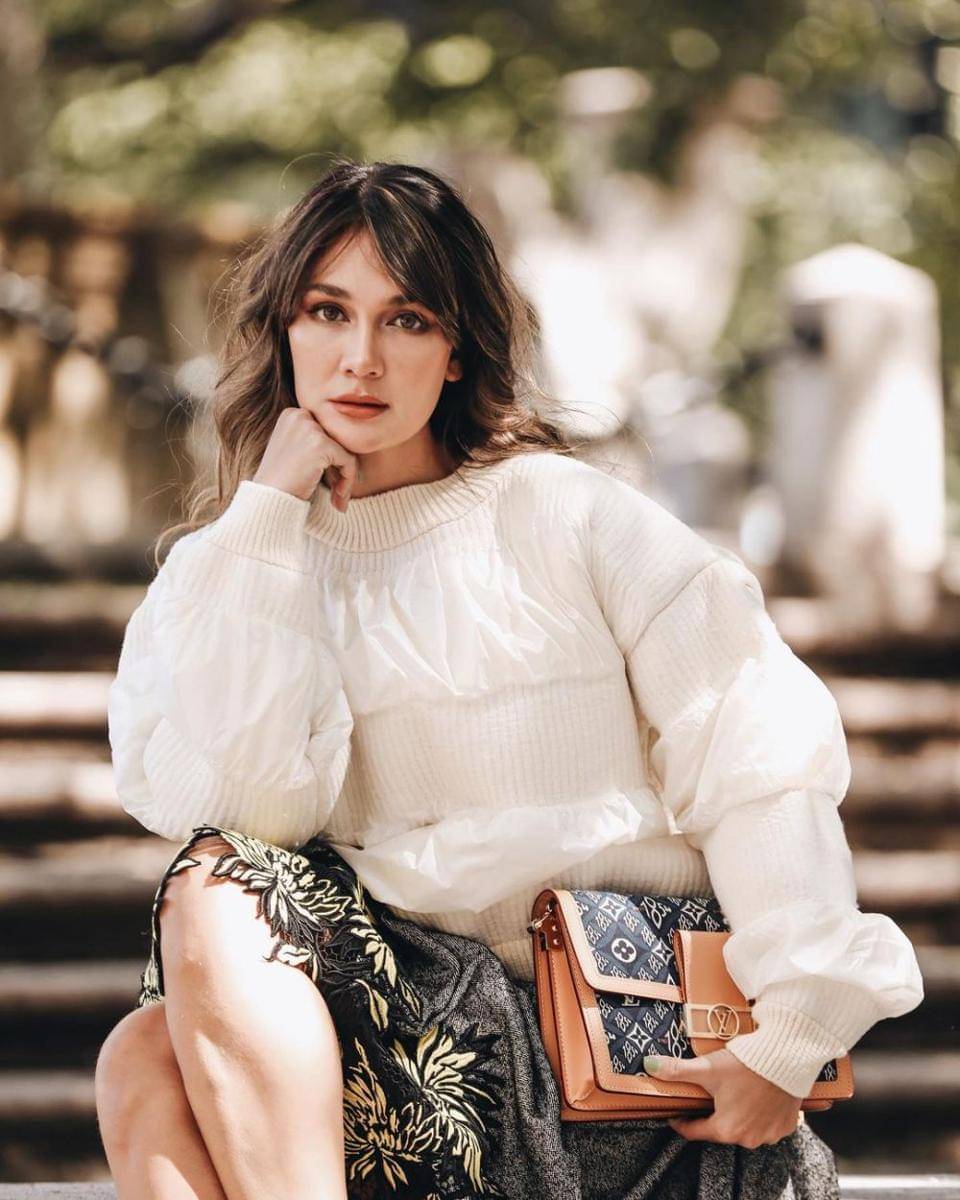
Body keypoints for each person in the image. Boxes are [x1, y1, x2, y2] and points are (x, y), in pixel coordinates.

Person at [94, 158, 923, 1200]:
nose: (360, 358)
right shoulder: (231, 570)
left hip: (620, 1056)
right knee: (154, 1025)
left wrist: (793, 1033)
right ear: (284, 332)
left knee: (182, 972)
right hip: (416, 1070)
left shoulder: (567, 515)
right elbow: (250, 814)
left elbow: (754, 751)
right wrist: (268, 522)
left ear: (456, 350)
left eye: (406, 320)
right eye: (327, 312)